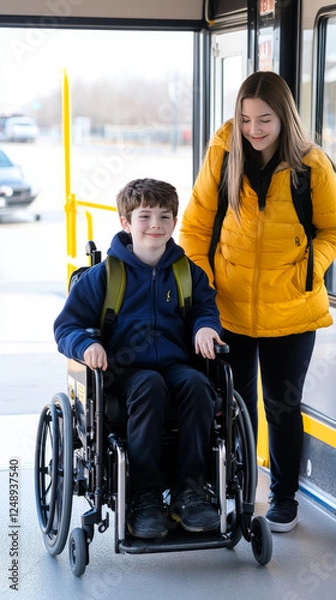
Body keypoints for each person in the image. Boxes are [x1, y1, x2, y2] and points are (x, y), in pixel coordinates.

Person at [179, 71, 336, 533]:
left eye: (264, 119)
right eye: (245, 118)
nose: (253, 129)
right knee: (231, 405)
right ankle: (234, 492)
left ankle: (283, 498)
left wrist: (308, 267)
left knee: (282, 408)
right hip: (228, 308)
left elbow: (331, 230)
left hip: (291, 309)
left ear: (284, 117)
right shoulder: (223, 154)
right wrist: (204, 291)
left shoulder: (312, 166)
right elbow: (193, 229)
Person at [54, 178, 226, 540]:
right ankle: (145, 494)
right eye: (144, 216)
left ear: (174, 223)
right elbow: (66, 327)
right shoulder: (104, 276)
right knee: (149, 385)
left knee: (199, 385)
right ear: (125, 223)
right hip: (125, 372)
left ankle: (190, 490)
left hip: (177, 367)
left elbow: (205, 310)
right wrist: (86, 346)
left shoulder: (186, 274)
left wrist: (205, 328)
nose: (155, 225)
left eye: (164, 216)